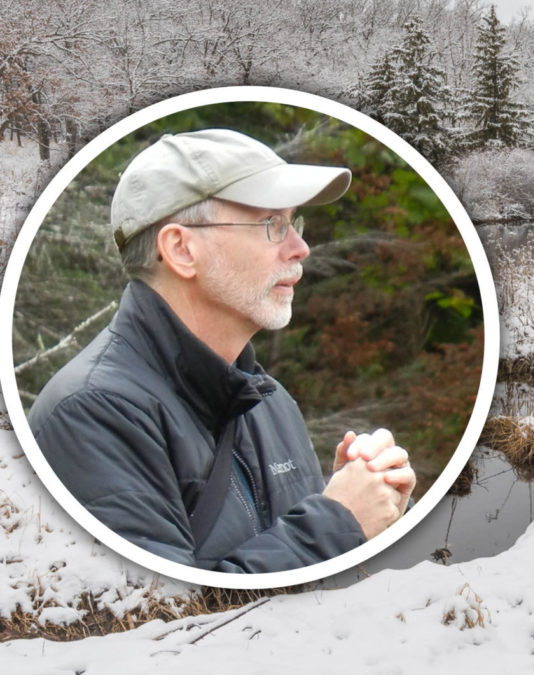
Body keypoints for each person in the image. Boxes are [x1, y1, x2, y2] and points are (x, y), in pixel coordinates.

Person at [28, 128, 416, 573]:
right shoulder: (92, 415)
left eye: (295, 223)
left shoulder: (268, 401)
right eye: (272, 224)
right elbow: (161, 622)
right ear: (181, 249)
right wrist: (335, 522)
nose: (300, 248)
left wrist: (364, 512)